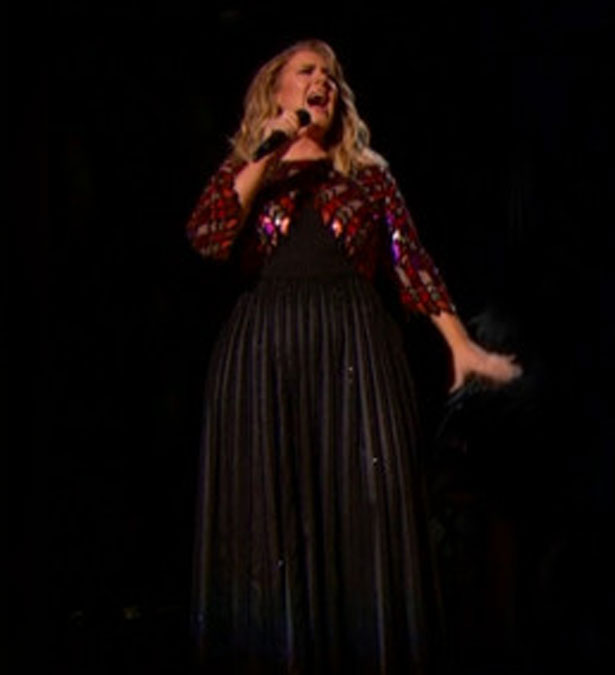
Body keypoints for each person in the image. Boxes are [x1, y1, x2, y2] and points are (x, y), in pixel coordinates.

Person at [185, 39, 520, 673]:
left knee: (363, 507)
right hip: (266, 356)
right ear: (276, 90)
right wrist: (269, 149)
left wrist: (459, 344)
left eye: (332, 76)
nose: (324, 81)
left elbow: (409, 259)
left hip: (353, 351)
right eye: (307, 71)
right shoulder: (247, 168)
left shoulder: (368, 175)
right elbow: (208, 234)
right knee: (275, 515)